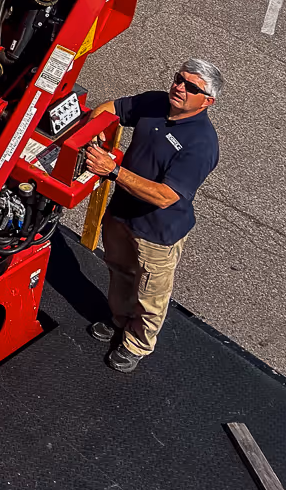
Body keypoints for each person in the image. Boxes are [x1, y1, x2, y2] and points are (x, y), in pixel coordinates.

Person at [85, 59, 222, 373]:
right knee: (119, 271)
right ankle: (119, 320)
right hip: (121, 215)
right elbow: (111, 108)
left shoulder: (201, 144)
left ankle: (136, 344)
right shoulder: (156, 103)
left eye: (191, 87)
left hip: (158, 232)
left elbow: (165, 196)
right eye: (178, 79)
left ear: (208, 101)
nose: (179, 88)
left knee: (150, 294)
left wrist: (114, 170)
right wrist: (95, 137)